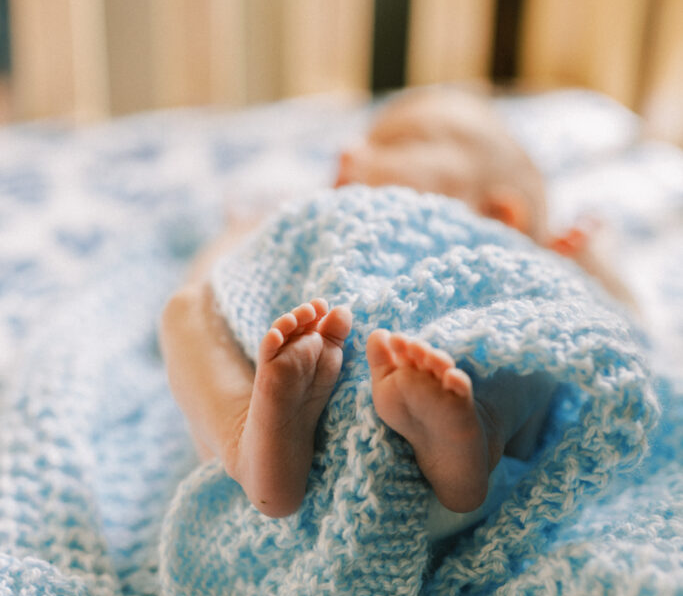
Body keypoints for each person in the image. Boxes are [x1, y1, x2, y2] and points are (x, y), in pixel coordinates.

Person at [160, 87, 632, 520]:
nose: (351, 152)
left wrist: (592, 264)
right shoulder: (306, 222)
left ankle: (477, 433)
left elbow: (621, 334)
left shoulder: (518, 260)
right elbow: (221, 283)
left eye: (401, 141)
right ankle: (247, 435)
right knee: (186, 309)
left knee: (543, 333)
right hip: (302, 407)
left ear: (501, 214)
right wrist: (236, 236)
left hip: (458, 432)